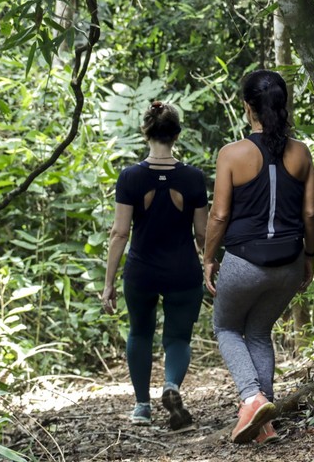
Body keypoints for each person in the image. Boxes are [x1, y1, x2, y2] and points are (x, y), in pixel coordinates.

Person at [202, 69, 314, 445]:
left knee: (225, 328)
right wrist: (309, 257)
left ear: (247, 106)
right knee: (258, 332)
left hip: (244, 262)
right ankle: (263, 425)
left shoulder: (231, 154)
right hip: (288, 263)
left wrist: (208, 259)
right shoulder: (301, 153)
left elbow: (219, 215)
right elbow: (310, 214)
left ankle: (251, 398)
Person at [101, 101, 208, 430]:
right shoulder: (192, 178)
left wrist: (108, 283)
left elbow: (120, 233)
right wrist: (211, 265)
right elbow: (203, 234)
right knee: (178, 338)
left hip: (142, 271)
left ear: (145, 133)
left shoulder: (130, 177)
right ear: (177, 134)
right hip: (183, 272)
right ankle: (172, 386)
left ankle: (142, 408)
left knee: (140, 333)